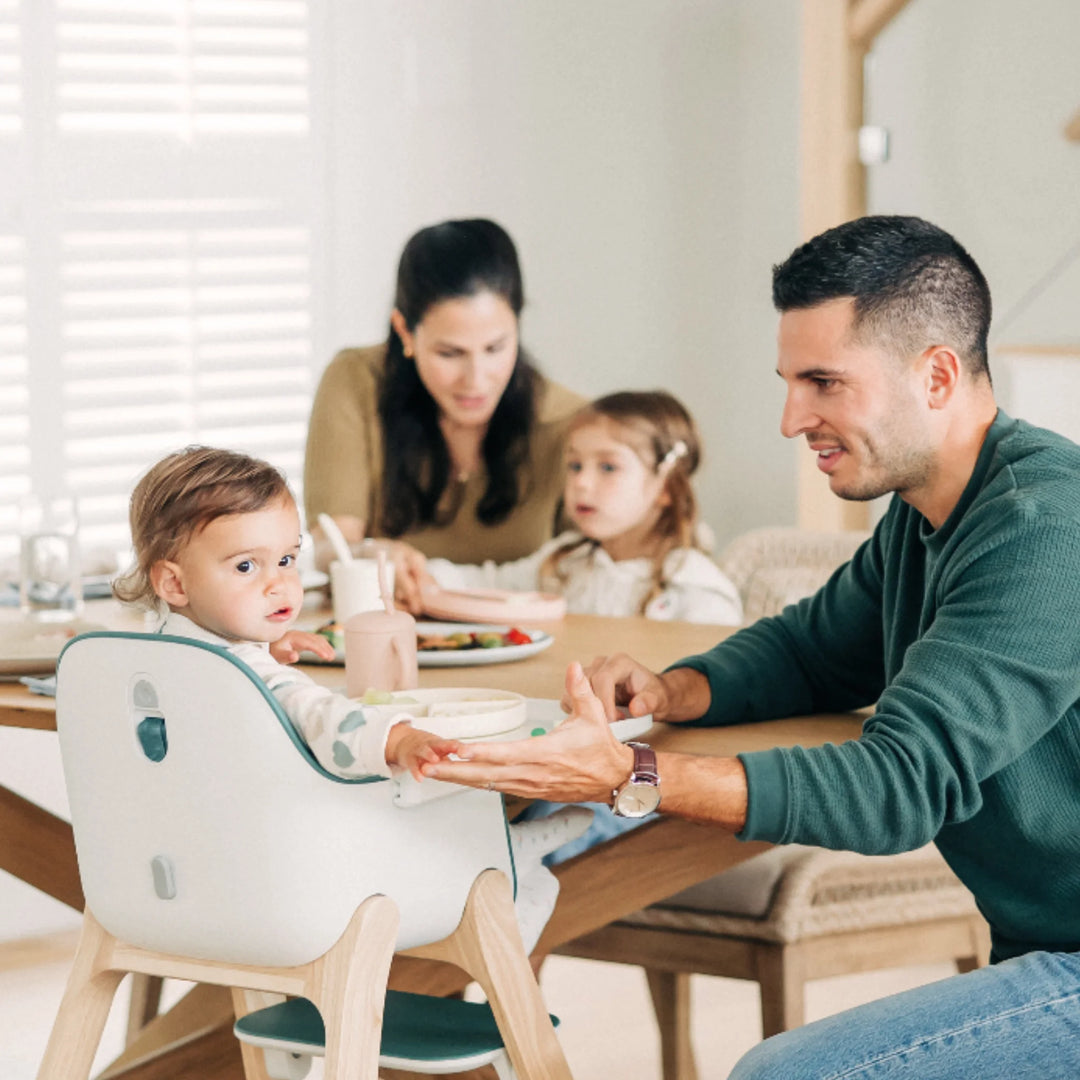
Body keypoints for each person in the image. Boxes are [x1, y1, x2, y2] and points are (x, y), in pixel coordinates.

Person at [425, 215, 1080, 1076]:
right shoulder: (926, 519)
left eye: (823, 383)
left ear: (937, 375)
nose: (790, 419)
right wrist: (673, 690)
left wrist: (631, 774)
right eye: (789, 382)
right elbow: (811, 652)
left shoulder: (1041, 528)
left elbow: (900, 785)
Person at [113, 445, 593, 949]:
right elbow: (323, 718)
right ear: (173, 581)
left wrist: (266, 654)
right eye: (245, 568)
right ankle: (509, 857)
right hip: (306, 874)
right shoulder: (247, 668)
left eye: (285, 559)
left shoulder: (144, 657)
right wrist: (397, 738)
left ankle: (508, 844)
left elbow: (213, 715)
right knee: (435, 798)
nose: (279, 583)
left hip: (190, 870)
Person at [303, 218, 584, 611]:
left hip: (537, 649)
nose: (476, 380)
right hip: (393, 637)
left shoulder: (572, 422)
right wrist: (372, 554)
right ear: (404, 331)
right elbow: (331, 546)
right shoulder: (355, 382)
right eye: (449, 353)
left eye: (496, 347)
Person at [426, 390, 743, 625]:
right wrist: (409, 570)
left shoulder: (697, 592)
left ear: (666, 488)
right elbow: (485, 585)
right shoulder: (564, 561)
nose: (581, 483)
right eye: (575, 465)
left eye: (607, 468)